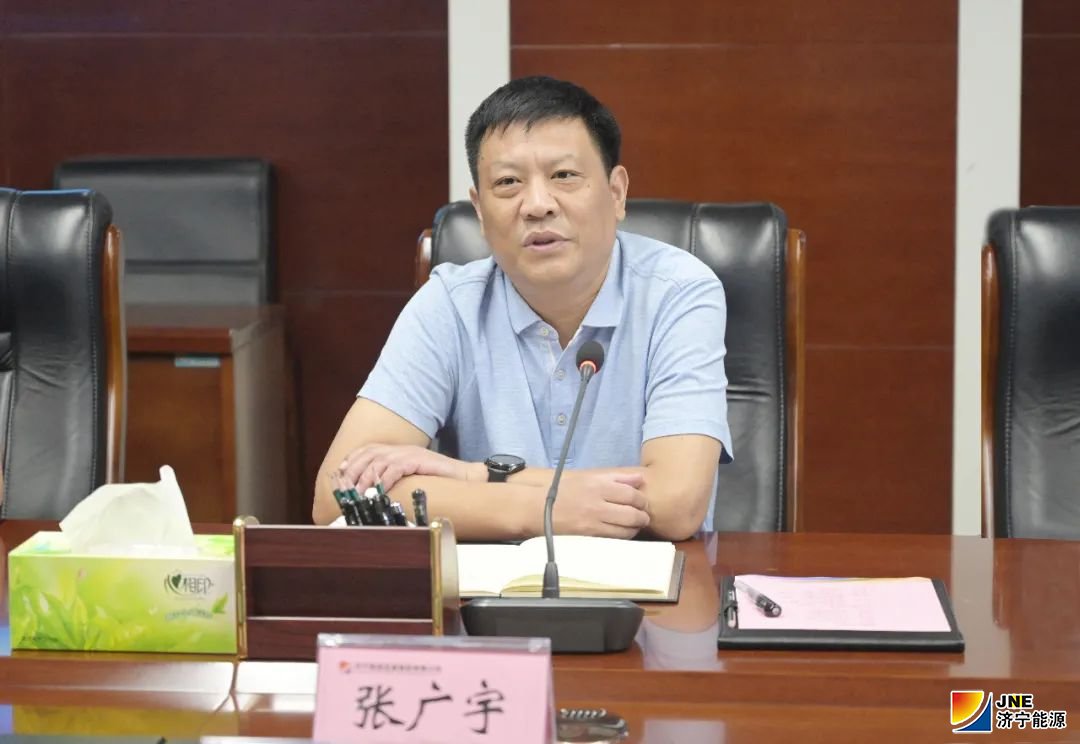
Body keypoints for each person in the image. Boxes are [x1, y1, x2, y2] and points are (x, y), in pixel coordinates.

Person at [313, 75, 732, 541]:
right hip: (487, 583)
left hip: (648, 584)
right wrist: (544, 509)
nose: (537, 205)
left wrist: (475, 476)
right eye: (508, 183)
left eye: (564, 176)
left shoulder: (677, 293)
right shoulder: (448, 305)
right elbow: (337, 497)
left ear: (616, 193)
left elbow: (675, 503)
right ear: (479, 209)